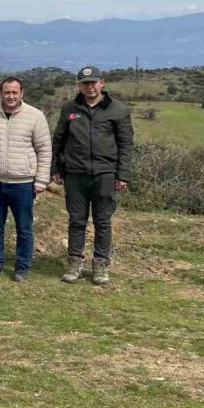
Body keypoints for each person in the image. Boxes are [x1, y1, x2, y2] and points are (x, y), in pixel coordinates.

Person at [51, 65, 134, 286]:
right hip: (75, 174)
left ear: (102, 83)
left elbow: (126, 144)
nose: (90, 86)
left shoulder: (118, 110)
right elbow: (58, 140)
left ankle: (100, 265)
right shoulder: (69, 108)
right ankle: (74, 263)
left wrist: (123, 174)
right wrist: (55, 168)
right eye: (85, 83)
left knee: (103, 221)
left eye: (93, 82)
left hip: (105, 174)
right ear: (79, 85)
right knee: (76, 220)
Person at [0, 77, 52, 282]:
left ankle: (22, 266)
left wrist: (41, 180)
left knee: (24, 227)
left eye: (15, 92)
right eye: (7, 92)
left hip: (23, 183)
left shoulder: (35, 116)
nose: (11, 96)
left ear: (22, 93)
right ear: (0, 93)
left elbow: (44, 149)